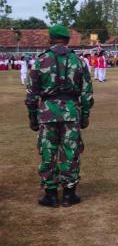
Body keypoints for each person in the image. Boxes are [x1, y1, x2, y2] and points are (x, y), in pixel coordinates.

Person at [25, 25, 94, 207]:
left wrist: (32, 117)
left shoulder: (40, 61)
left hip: (47, 113)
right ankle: (69, 194)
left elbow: (31, 94)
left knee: (48, 152)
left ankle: (51, 194)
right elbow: (87, 93)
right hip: (71, 112)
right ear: (68, 40)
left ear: (51, 39)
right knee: (71, 152)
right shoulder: (78, 61)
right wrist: (85, 115)